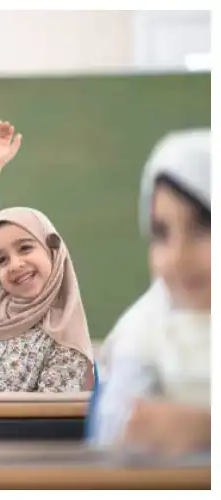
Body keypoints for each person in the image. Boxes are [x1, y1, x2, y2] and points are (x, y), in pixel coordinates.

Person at [0, 120, 93, 392]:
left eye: (26, 247)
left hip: (14, 435)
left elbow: (45, 422)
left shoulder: (64, 336)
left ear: (52, 251)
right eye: (1, 260)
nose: (15, 264)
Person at [93, 129, 210, 454]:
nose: (178, 257)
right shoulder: (141, 332)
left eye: (203, 227)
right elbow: (116, 441)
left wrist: (206, 429)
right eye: (161, 233)